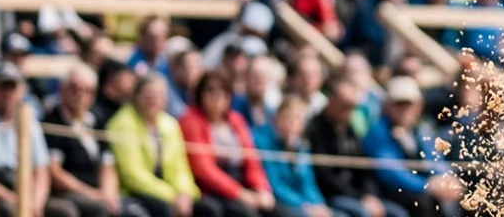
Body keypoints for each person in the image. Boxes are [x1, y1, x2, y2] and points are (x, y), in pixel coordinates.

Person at [0, 65, 71, 217]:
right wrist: (10, 197)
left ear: (22, 91)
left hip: (25, 187)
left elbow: (41, 170)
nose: (8, 94)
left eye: (12, 88)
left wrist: (36, 202)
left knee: (65, 212)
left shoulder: (31, 120)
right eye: (3, 87)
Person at [107, 75, 208, 217]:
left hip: (168, 191)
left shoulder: (170, 124)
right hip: (135, 192)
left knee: (207, 209)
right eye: (148, 96)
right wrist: (172, 195)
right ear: (136, 96)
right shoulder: (122, 124)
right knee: (165, 210)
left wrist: (185, 193)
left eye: (159, 96)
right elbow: (132, 174)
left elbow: (180, 168)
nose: (153, 101)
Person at [179, 71, 275, 217]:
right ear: (200, 94)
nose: (217, 95)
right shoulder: (191, 121)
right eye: (210, 89)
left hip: (240, 182)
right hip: (209, 189)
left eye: (223, 89)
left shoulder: (236, 120)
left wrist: (262, 189)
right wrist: (238, 193)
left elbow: (252, 160)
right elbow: (203, 168)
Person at [363, 77, 461, 217]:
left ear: (419, 106)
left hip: (421, 190)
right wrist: (426, 186)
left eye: (409, 104)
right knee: (422, 203)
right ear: (387, 105)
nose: (405, 109)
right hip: (388, 192)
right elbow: (390, 172)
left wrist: (445, 179)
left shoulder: (421, 129)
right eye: (399, 104)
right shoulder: (378, 132)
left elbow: (434, 158)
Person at [309, 78, 398, 217]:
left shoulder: (349, 130)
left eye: (352, 107)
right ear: (331, 102)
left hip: (356, 194)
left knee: (396, 213)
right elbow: (325, 176)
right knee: (362, 212)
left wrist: (369, 194)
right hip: (332, 194)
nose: (349, 112)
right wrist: (359, 197)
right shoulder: (316, 131)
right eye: (344, 106)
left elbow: (363, 166)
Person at [44, 67, 120, 217]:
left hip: (96, 191)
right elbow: (55, 172)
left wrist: (109, 192)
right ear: (62, 89)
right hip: (65, 193)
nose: (80, 94)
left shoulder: (97, 120)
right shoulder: (53, 122)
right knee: (97, 209)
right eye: (75, 88)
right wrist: (90, 194)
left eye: (87, 90)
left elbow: (107, 164)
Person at [257, 99, 336, 217]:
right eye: (288, 117)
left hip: (302, 202)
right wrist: (303, 205)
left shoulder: (302, 147)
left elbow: (308, 183)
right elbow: (275, 184)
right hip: (279, 201)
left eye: (297, 118)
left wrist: (319, 204)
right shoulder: (264, 144)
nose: (292, 123)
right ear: (276, 120)